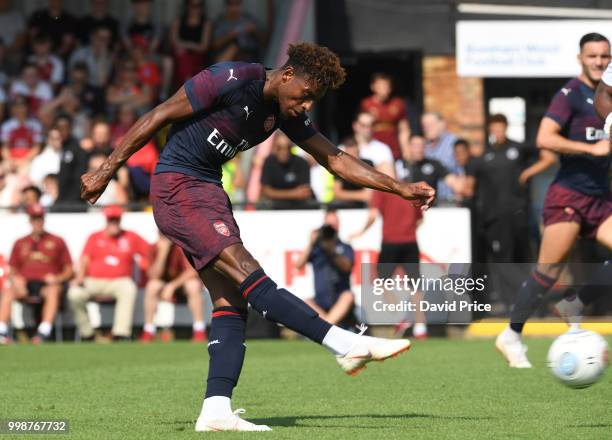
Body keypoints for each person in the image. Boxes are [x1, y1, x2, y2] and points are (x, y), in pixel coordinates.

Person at [80, 42, 435, 432]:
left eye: (314, 100)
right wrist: (106, 169)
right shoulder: (231, 78)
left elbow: (335, 159)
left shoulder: (284, 113)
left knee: (232, 300)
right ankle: (344, 343)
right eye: (305, 95)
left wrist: (399, 188)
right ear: (286, 76)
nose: (307, 106)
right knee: (250, 274)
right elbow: (159, 114)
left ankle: (215, 411)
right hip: (177, 186)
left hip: (208, 190)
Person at [496, 33, 612, 368]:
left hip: (600, 198)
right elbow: (545, 137)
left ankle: (574, 303)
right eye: (592, 56)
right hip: (568, 196)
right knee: (548, 270)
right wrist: (591, 149)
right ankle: (511, 334)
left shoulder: (608, 96)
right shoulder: (570, 95)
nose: (599, 62)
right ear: (580, 59)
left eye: (605, 56)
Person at [350, 171, 428, 339]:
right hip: (410, 242)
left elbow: (372, 215)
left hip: (391, 242)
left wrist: (360, 232)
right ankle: (420, 327)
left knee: (382, 280)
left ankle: (399, 317)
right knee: (415, 284)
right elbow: (420, 219)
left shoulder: (382, 190)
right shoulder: (411, 189)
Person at [465, 114, 532, 307]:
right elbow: (469, 186)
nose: (498, 131)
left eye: (501, 128)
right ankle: (513, 300)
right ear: (490, 130)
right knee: (503, 260)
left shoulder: (518, 149)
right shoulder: (482, 157)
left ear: (506, 127)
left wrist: (528, 173)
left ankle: (526, 298)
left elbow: (548, 156)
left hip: (518, 213)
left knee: (522, 256)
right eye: (495, 128)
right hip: (494, 217)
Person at [67, 205, 150, 341]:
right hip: (93, 281)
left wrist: (145, 270)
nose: (114, 223)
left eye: (116, 220)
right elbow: (85, 258)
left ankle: (120, 334)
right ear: (106, 221)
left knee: (129, 288)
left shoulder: (131, 236)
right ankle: (88, 334)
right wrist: (80, 277)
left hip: (119, 282)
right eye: (111, 220)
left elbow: (149, 253)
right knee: (74, 294)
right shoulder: (94, 237)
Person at [0, 204, 72, 344]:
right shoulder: (20, 242)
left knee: (53, 291)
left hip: (47, 284)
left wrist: (57, 278)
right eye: (34, 218)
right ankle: (1, 331)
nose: (37, 222)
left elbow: (69, 270)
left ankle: (43, 332)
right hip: (26, 284)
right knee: (9, 290)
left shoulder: (57, 241)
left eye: (40, 218)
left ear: (44, 219)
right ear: (30, 220)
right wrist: (16, 280)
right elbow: (12, 269)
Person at [295, 210, 355, 327]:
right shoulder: (316, 249)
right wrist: (311, 243)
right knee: (304, 302)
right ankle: (330, 326)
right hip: (320, 302)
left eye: (334, 224)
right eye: (329, 225)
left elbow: (347, 267)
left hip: (339, 300)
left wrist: (332, 251)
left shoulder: (345, 247)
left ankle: (326, 327)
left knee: (348, 296)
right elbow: (298, 265)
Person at [141, 234, 206, 342]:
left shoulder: (181, 247)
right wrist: (163, 254)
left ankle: (199, 330)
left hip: (181, 284)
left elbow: (193, 271)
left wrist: (172, 286)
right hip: (163, 284)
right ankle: (149, 330)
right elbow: (153, 276)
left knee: (193, 285)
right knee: (152, 286)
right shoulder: (153, 247)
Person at [360, 72, 410, 160]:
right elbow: (360, 128)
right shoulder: (367, 104)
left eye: (386, 86)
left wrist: (406, 150)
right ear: (373, 87)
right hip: (374, 149)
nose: (384, 89)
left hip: (394, 149)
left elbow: (404, 129)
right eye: (380, 86)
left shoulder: (398, 104)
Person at [260, 131, 313, 209]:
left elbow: (305, 193)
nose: (284, 151)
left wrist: (275, 193)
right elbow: (265, 191)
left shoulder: (302, 163)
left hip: (298, 210)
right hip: (274, 210)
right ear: (274, 148)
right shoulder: (269, 162)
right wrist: (294, 193)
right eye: (279, 148)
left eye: (287, 148)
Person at [170, 0, 212, 86]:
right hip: (181, 56)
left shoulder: (206, 23)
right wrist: (193, 46)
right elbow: (174, 41)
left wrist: (186, 44)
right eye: (192, 5)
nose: (195, 9)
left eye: (198, 5)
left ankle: (186, 86)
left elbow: (204, 47)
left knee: (183, 55)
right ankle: (188, 86)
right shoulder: (178, 21)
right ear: (187, 6)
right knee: (181, 54)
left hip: (198, 57)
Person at [421, 112, 459, 203]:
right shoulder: (423, 147)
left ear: (442, 124)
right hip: (429, 201)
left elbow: (463, 171)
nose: (427, 128)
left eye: (430, 124)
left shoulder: (454, 143)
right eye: (424, 125)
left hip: (451, 200)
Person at [351, 111, 395, 177]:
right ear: (355, 126)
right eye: (363, 125)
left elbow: (391, 177)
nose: (368, 129)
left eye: (371, 125)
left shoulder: (383, 149)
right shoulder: (345, 147)